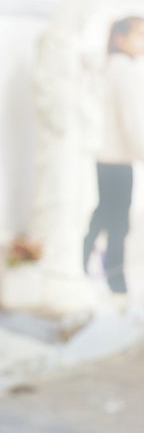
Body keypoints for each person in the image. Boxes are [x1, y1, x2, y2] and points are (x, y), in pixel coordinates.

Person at [83, 15, 144, 295]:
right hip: (118, 157)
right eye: (138, 35)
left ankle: (86, 264)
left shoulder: (109, 68)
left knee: (105, 214)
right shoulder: (123, 70)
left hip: (107, 155)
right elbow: (131, 119)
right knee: (117, 222)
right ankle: (115, 281)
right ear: (120, 37)